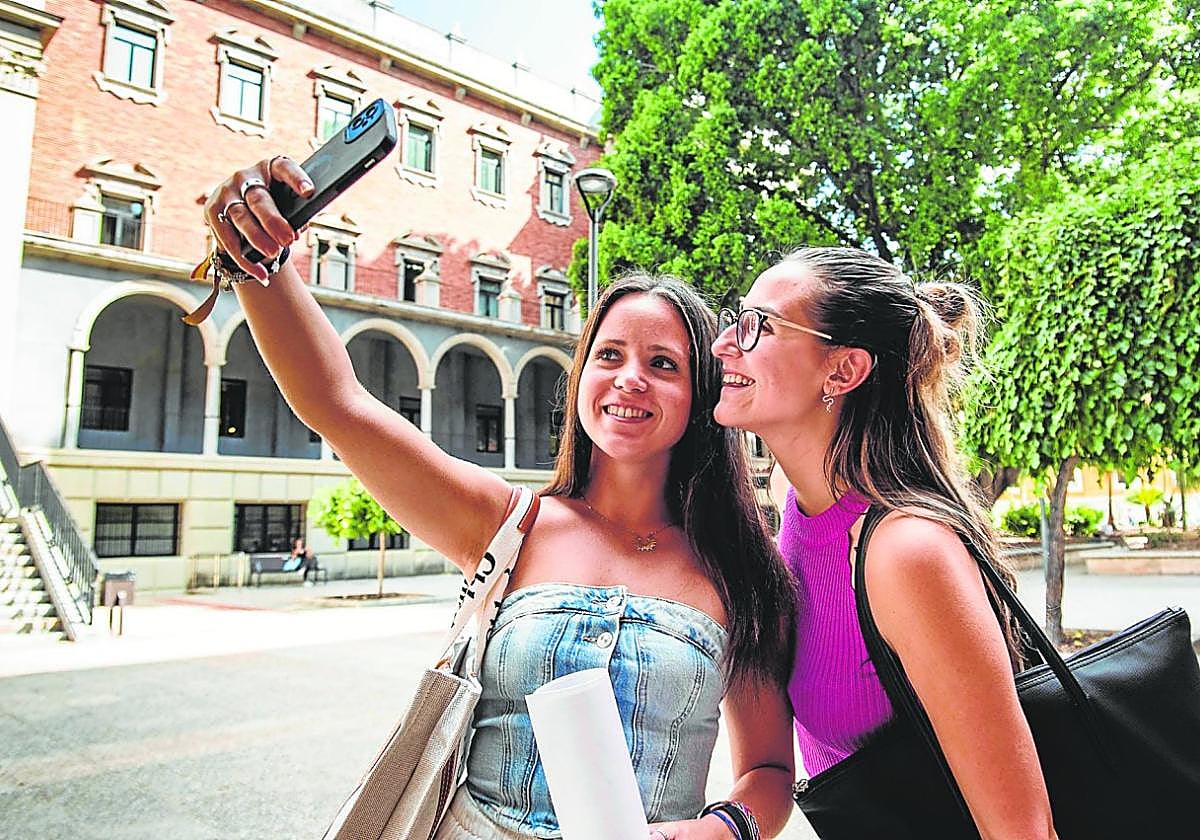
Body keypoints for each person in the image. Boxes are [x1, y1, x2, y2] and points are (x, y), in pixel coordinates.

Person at [201, 155, 797, 840]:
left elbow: (770, 772)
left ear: (698, 398)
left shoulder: (745, 574)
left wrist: (720, 831)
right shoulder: (507, 524)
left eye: (662, 364)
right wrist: (254, 258)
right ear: (580, 380)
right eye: (609, 356)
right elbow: (339, 404)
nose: (630, 379)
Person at [711, 247, 1058, 838]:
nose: (724, 343)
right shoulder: (798, 508)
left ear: (842, 371)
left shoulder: (905, 553)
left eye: (758, 325)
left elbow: (1022, 831)